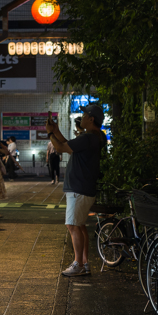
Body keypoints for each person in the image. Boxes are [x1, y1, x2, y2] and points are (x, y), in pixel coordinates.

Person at [46, 103, 107, 277]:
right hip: (83, 187)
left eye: (85, 115)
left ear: (91, 119)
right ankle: (84, 263)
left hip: (78, 188)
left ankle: (78, 264)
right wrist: (56, 131)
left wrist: (50, 133)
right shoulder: (93, 138)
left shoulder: (88, 138)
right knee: (79, 225)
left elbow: (60, 148)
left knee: (72, 225)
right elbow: (67, 144)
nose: (82, 118)